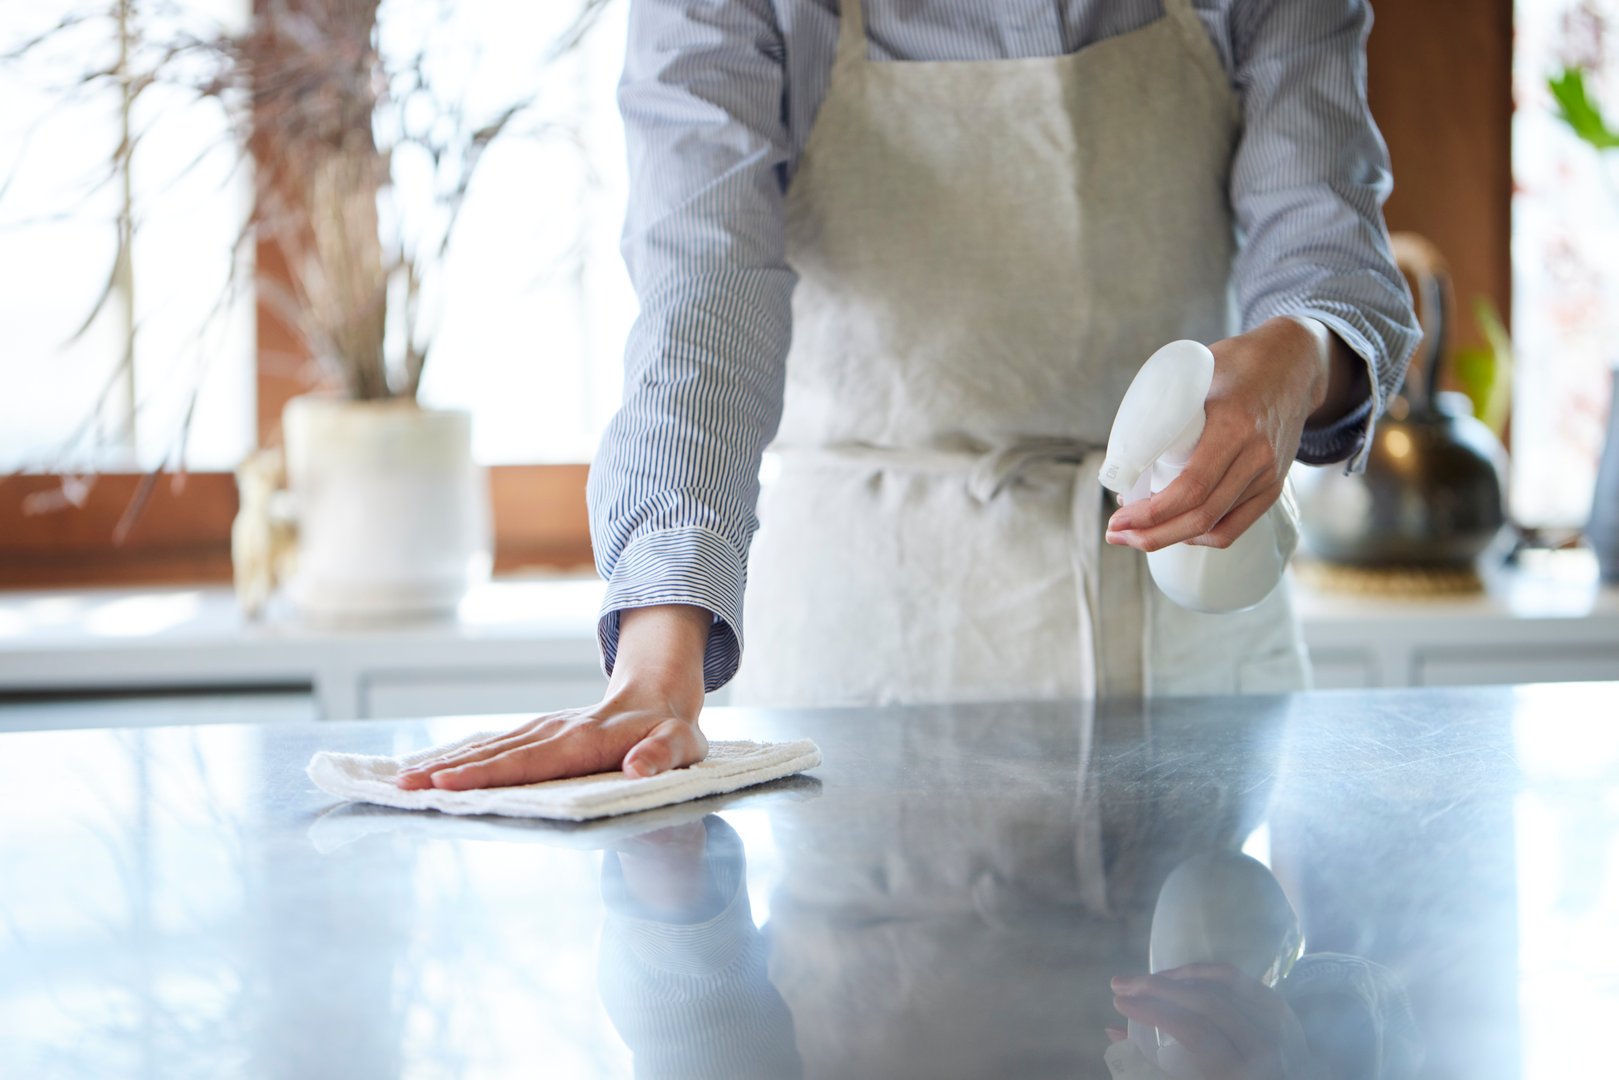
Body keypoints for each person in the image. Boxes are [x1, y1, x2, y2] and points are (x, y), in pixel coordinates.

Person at [397, 0, 1420, 794]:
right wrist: (656, 666)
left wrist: (1297, 357)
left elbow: (1328, 254)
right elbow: (703, 300)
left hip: (1190, 652)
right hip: (871, 663)